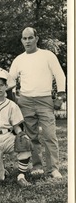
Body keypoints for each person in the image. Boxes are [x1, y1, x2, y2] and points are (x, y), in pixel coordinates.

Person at [9, 27, 66, 178]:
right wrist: (14, 98)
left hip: (45, 99)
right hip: (25, 101)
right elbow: (10, 79)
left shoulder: (47, 55)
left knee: (49, 135)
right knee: (31, 136)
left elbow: (60, 75)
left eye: (30, 38)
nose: (27, 41)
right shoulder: (19, 59)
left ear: (36, 38)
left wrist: (60, 96)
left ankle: (53, 168)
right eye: (24, 38)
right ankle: (37, 165)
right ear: (21, 40)